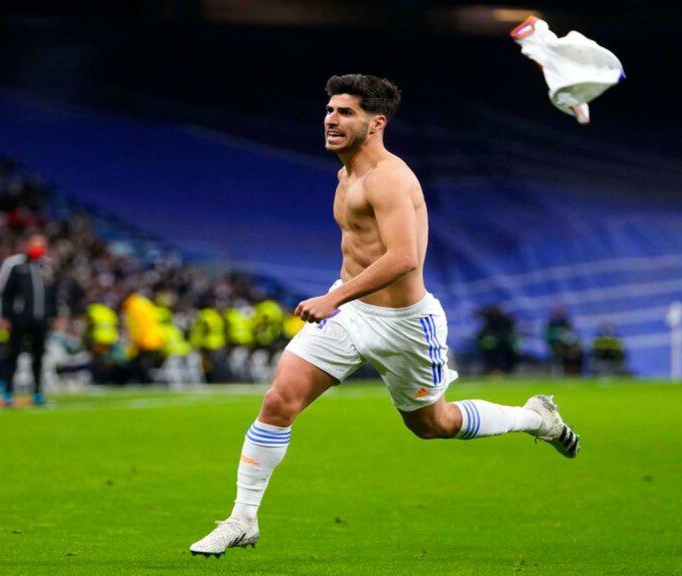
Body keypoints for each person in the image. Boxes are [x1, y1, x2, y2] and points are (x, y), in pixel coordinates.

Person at [189, 74, 581, 558]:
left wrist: (332, 299)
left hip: (404, 325)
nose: (331, 119)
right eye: (330, 110)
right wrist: (341, 300)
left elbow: (403, 258)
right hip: (350, 312)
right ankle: (241, 520)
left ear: (376, 124)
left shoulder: (391, 179)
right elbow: (358, 250)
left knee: (432, 424)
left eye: (345, 112)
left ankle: (534, 418)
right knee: (278, 401)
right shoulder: (345, 173)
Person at [0, 233, 60, 406]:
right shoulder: (14, 265)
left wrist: (54, 316)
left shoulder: (49, 266)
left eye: (42, 245)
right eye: (35, 244)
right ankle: (8, 393)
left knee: (38, 357)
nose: (38, 248)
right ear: (27, 245)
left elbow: (54, 295)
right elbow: (3, 293)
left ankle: (38, 393)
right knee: (13, 354)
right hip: (19, 320)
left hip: (41, 320)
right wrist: (1, 316)